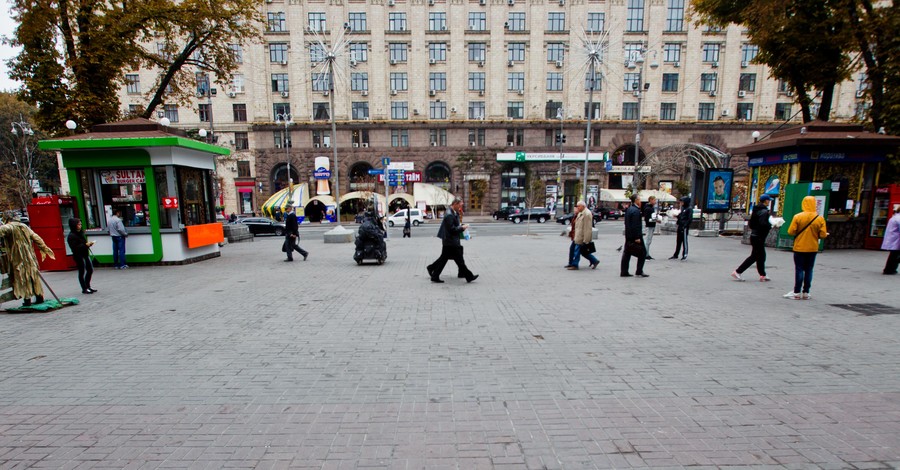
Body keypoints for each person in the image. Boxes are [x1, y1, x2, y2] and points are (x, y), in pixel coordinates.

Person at [0, 212, 56, 306]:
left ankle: (27, 300)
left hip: (18, 258)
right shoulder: (24, 226)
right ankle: (39, 297)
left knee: (22, 278)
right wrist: (44, 248)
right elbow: (36, 237)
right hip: (30, 258)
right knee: (33, 277)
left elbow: (3, 230)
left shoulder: (9, 227)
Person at [784, 195, 828, 300]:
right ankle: (806, 292)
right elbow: (822, 235)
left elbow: (790, 232)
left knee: (799, 269)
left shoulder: (798, 217)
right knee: (809, 270)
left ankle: (796, 292)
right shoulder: (819, 218)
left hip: (799, 247)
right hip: (812, 248)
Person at [426, 198, 478, 283]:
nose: (461, 207)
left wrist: (461, 224)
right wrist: (462, 228)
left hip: (450, 241)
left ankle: (434, 273)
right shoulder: (449, 214)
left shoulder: (453, 212)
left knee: (444, 259)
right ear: (455, 204)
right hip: (450, 242)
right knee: (459, 260)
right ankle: (469, 276)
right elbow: (452, 229)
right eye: (460, 205)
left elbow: (455, 224)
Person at [732, 194, 773, 282]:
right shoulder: (764, 212)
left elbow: (752, 224)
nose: (769, 202)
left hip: (755, 235)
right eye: (768, 200)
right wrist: (771, 225)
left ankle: (763, 275)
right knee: (755, 256)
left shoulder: (756, 210)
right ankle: (738, 271)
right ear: (765, 201)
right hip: (759, 236)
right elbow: (763, 224)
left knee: (761, 256)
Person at [67, 218, 97, 294]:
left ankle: (88, 286)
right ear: (74, 225)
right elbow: (75, 248)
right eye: (79, 224)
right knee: (82, 271)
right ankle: (84, 288)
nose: (80, 226)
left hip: (85, 254)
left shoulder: (80, 233)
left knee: (90, 270)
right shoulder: (71, 236)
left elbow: (83, 243)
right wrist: (85, 245)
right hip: (79, 256)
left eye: (80, 224)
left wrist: (88, 244)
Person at [621, 194, 648, 277]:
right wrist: (637, 237)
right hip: (635, 236)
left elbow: (627, 223)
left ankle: (624, 271)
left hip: (628, 235)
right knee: (643, 252)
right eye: (639, 199)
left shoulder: (629, 209)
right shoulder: (636, 211)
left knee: (627, 253)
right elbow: (636, 225)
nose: (640, 201)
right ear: (636, 200)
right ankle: (639, 271)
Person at [567, 201, 599, 270]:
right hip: (577, 235)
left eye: (578, 206)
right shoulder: (581, 213)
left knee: (577, 251)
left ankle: (575, 265)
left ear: (583, 206)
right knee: (577, 250)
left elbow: (587, 228)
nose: (577, 207)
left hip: (581, 236)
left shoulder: (587, 214)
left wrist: (586, 240)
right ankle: (594, 260)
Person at [881, 205, 900, 275]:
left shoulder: (895, 217)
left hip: (893, 239)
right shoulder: (898, 218)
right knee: (894, 255)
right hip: (896, 240)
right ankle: (889, 270)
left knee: (894, 255)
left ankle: (890, 269)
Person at [642, 195, 658, 260]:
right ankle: (645, 254)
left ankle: (647, 254)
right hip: (649, 226)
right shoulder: (648, 208)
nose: (655, 201)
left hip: (651, 225)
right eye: (654, 200)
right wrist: (656, 220)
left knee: (648, 240)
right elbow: (647, 219)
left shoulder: (650, 207)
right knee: (647, 240)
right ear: (650, 200)